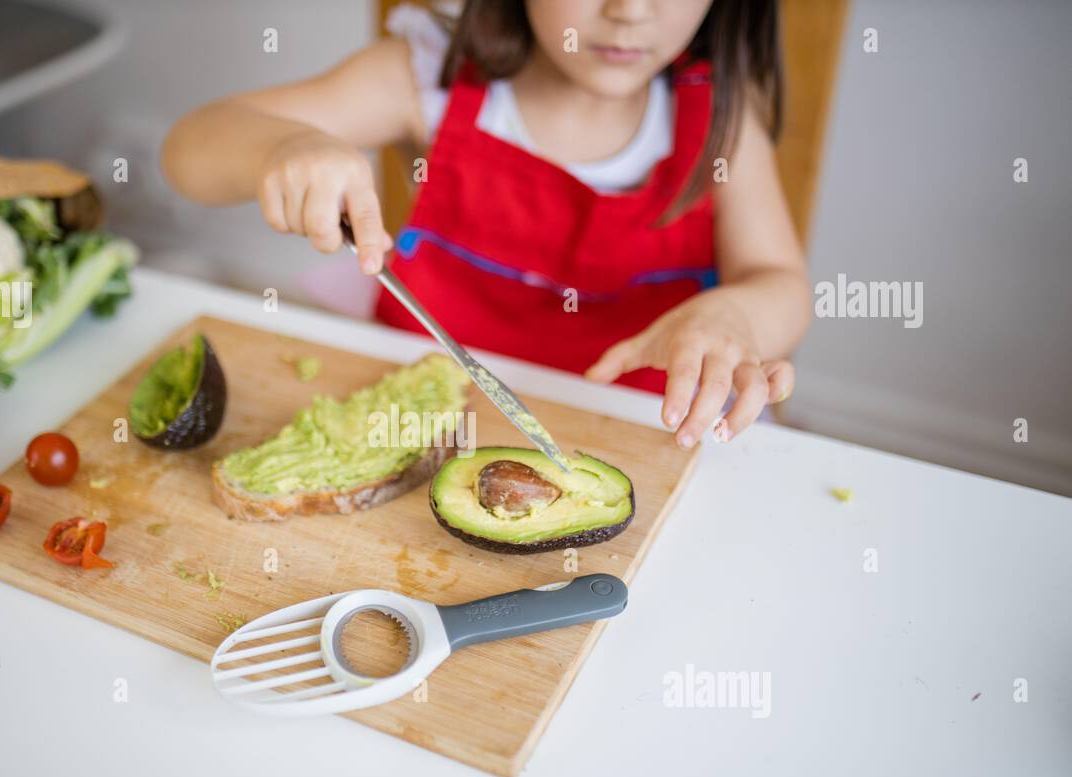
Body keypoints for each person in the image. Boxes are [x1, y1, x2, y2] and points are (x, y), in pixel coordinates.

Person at [163, 0, 812, 446]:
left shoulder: (721, 115)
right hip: (430, 428)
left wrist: (735, 318)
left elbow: (779, 281)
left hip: (649, 433)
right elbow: (187, 152)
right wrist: (279, 149)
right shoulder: (426, 78)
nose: (631, 9)